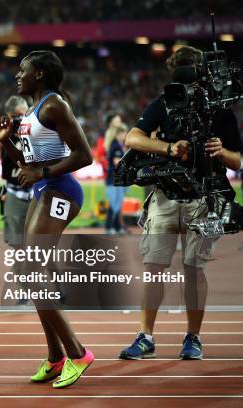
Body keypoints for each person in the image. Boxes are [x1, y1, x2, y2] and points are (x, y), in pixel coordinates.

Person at [120, 45, 242, 360]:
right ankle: (146, 336)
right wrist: (170, 149)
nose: (189, 85)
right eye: (183, 75)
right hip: (165, 195)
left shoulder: (220, 109)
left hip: (204, 196)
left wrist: (220, 151)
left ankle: (193, 337)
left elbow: (237, 159)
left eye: (193, 75)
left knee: (194, 269)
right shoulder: (165, 103)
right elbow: (132, 138)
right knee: (154, 267)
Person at [0, 50, 94, 388]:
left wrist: (43, 172)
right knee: (28, 273)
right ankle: (55, 357)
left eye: (23, 70)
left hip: (61, 191)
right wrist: (7, 143)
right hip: (44, 191)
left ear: (39, 74)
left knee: (33, 273)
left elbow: (84, 155)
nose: (17, 74)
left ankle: (77, 353)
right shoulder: (35, 111)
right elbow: (27, 164)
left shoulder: (54, 105)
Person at [0, 95, 32, 249]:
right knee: (16, 243)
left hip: (38, 189)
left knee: (41, 241)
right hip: (14, 190)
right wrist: (4, 137)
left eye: (23, 114)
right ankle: (21, 272)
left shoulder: (36, 125)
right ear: (8, 116)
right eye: (16, 116)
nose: (20, 119)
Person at [104, 123, 129, 234]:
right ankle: (109, 227)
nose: (126, 135)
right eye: (124, 132)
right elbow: (117, 163)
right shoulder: (116, 145)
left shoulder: (116, 144)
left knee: (117, 204)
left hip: (115, 179)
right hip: (114, 179)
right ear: (119, 133)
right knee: (114, 204)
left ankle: (117, 227)